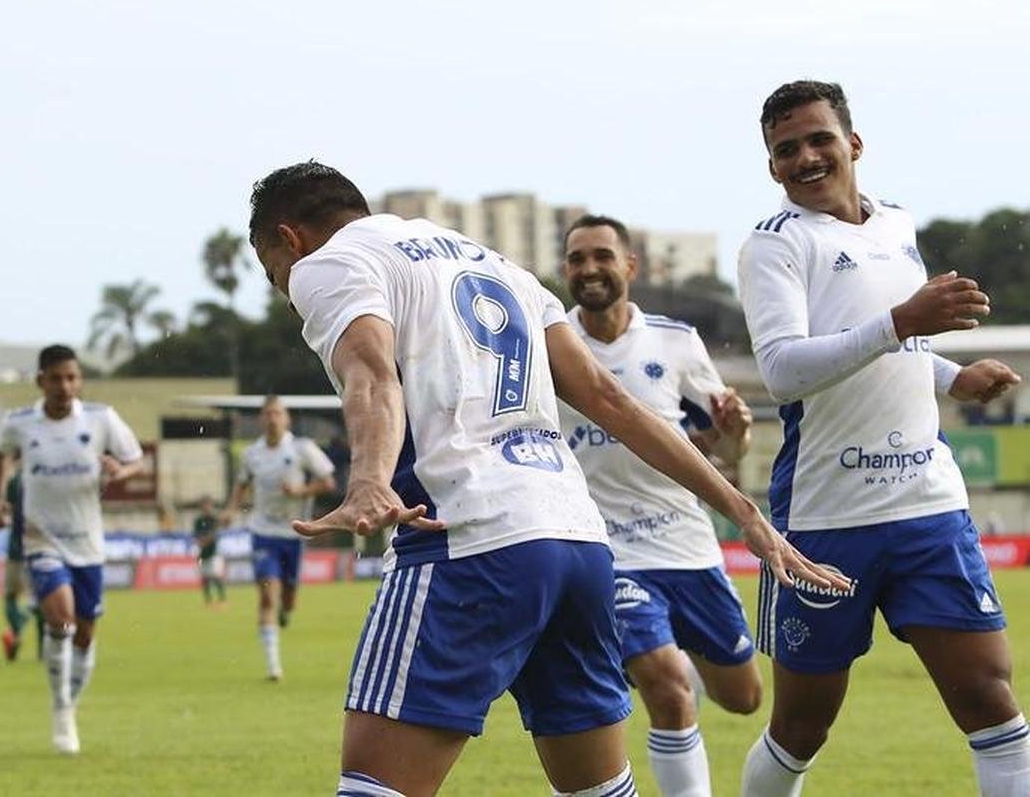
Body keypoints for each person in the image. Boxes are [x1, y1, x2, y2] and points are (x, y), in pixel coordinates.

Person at [246, 161, 845, 797]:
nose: (285, 292)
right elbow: (613, 402)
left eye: (271, 272)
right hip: (577, 547)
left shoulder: (331, 262)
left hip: (466, 540)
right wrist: (745, 512)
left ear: (290, 239)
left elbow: (370, 371)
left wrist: (367, 477)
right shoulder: (500, 266)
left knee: (375, 787)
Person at [737, 81, 1026, 796]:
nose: (804, 157)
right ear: (771, 166)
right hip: (826, 520)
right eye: (785, 149)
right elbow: (781, 371)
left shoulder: (895, 226)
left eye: (817, 139)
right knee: (801, 728)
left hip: (927, 505)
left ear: (852, 144)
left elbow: (886, 346)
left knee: (992, 705)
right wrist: (902, 321)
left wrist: (950, 376)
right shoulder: (773, 246)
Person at [559, 214, 762, 796]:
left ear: (629, 266)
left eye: (601, 256)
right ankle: (659, 660)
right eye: (576, 259)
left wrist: (736, 431)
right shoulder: (552, 345)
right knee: (668, 686)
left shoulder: (675, 341)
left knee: (743, 697)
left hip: (685, 543)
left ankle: (674, 654)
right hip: (606, 550)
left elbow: (726, 447)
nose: (589, 268)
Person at [0, 344, 144, 755]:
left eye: (72, 377)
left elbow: (136, 460)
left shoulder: (100, 419)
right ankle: (61, 711)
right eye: (56, 378)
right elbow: (2, 455)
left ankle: (70, 705)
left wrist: (120, 469)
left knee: (86, 632)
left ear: (79, 380)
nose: (65, 385)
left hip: (87, 542)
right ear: (40, 381)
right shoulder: (20, 423)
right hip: (41, 538)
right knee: (60, 618)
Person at [223, 395, 336, 680]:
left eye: (277, 413)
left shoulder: (301, 448)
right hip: (263, 532)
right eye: (268, 413)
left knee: (287, 600)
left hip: (294, 532)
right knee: (266, 597)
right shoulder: (252, 454)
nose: (272, 418)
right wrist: (231, 510)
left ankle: (286, 610)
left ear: (287, 419)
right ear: (261, 419)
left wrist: (300, 492)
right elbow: (241, 485)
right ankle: (274, 667)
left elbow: (328, 482)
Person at [0, 469, 44, 661]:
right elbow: (2, 511)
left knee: (13, 597)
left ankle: (16, 633)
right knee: (39, 601)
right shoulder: (42, 475)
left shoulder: (16, 479)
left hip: (23, 549)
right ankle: (41, 650)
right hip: (35, 549)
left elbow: (1, 512)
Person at [193, 495, 226, 607]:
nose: (206, 507)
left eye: (208, 505)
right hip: (202, 553)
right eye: (204, 505)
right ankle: (208, 600)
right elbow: (197, 536)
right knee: (205, 577)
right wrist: (202, 541)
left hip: (214, 552)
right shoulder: (198, 521)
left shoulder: (214, 519)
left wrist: (206, 540)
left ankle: (222, 599)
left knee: (216, 575)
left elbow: (215, 535)